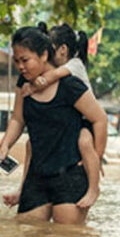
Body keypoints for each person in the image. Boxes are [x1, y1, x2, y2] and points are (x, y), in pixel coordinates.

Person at [0, 26, 107, 225]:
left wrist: (96, 157)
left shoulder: (70, 85)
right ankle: (22, 192)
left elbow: (100, 119)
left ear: (44, 55)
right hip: (37, 176)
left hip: (70, 175)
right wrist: (5, 145)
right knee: (27, 236)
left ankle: (93, 189)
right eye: (16, 61)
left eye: (25, 60)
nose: (20, 67)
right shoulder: (24, 85)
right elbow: (17, 118)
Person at [20, 22, 102, 209]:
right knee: (30, 143)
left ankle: (94, 188)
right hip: (71, 123)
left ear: (63, 50)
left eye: (49, 48)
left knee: (84, 141)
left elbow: (52, 76)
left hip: (84, 122)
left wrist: (33, 85)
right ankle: (22, 188)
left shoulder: (74, 64)